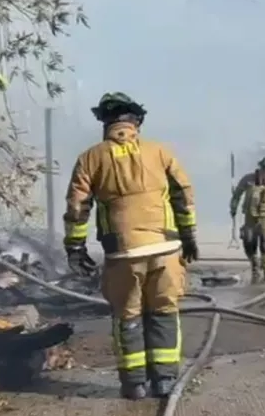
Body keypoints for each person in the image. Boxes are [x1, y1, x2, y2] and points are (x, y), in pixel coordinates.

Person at [62, 92, 199, 400]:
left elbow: (77, 207)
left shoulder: (90, 158)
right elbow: (182, 194)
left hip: (123, 253)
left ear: (106, 123)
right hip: (165, 249)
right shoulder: (160, 152)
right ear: (137, 122)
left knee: (128, 316)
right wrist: (188, 236)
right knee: (164, 311)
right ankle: (164, 381)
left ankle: (134, 385)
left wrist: (75, 247)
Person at [230, 156, 265, 283]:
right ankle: (255, 267)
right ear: (260, 169)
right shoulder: (248, 180)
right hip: (250, 217)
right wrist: (233, 208)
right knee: (249, 242)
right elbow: (236, 195)